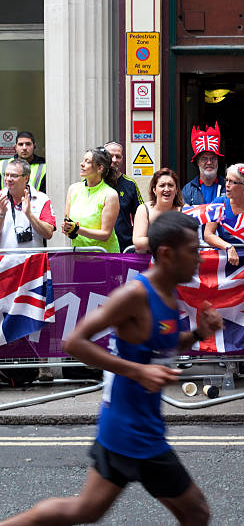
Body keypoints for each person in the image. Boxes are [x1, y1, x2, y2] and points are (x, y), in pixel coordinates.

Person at [0, 211, 223, 526]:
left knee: (87, 511)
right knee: (196, 511)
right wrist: (137, 371)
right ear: (167, 254)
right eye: (193, 250)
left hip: (134, 424)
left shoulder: (168, 294)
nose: (200, 258)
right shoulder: (135, 295)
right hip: (133, 433)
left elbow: (163, 345)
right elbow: (75, 342)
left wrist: (199, 334)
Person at [204, 163, 244, 375]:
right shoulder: (219, 202)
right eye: (227, 180)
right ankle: (228, 356)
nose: (227, 185)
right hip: (226, 262)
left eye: (233, 182)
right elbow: (209, 234)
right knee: (226, 309)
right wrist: (229, 245)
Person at [62, 147, 120, 253]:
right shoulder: (73, 189)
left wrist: (77, 230)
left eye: (87, 162)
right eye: (83, 160)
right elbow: (68, 225)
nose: (82, 164)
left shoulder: (110, 194)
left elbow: (105, 234)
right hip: (80, 255)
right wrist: (68, 230)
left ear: (100, 168)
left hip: (104, 256)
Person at [0, 159, 55, 249]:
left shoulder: (41, 198)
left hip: (34, 260)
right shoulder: (0, 197)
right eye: (6, 175)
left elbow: (48, 234)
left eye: (14, 176)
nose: (8, 179)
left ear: (26, 178)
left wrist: (29, 215)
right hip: (6, 261)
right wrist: (1, 214)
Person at [104, 141, 143, 252]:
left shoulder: (130, 184)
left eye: (118, 157)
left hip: (125, 249)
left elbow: (140, 216)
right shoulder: (93, 183)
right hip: (99, 248)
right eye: (110, 156)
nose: (114, 160)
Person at [132, 168, 183, 253]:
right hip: (147, 261)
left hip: (176, 261)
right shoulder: (143, 209)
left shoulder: (184, 209)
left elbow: (189, 240)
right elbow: (138, 242)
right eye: (162, 185)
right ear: (154, 190)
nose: (166, 189)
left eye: (170, 185)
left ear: (176, 190)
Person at [182, 122, 226, 205]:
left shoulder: (228, 187)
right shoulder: (188, 190)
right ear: (197, 162)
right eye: (204, 159)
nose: (209, 162)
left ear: (217, 161)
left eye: (213, 158)